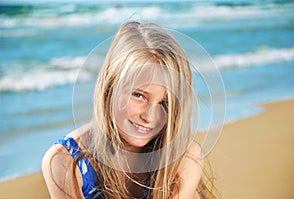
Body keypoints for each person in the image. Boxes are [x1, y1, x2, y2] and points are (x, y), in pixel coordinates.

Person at [42, 20, 218, 199]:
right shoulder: (65, 160)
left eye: (165, 103)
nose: (149, 116)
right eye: (139, 95)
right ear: (110, 88)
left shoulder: (185, 158)